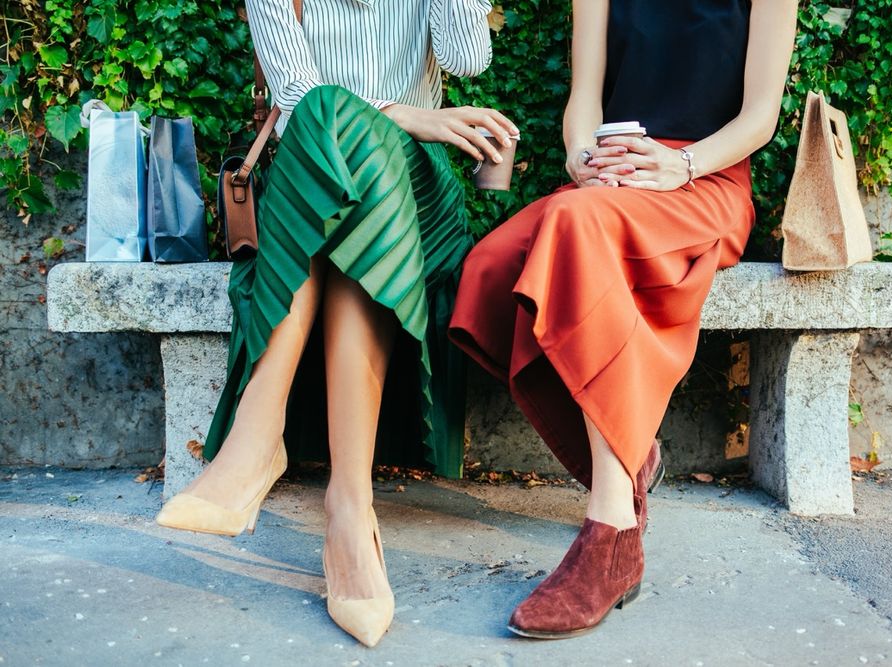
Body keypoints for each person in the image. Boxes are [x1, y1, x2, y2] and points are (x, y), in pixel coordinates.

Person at [154, 0, 517, 648]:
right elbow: (297, 106)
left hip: (415, 191)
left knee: (351, 139)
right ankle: (350, 513)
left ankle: (258, 440)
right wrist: (394, 111)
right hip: (315, 181)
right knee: (327, 120)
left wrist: (399, 120)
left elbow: (468, 58)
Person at [450, 0, 798, 638]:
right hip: (612, 178)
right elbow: (584, 98)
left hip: (704, 183)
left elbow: (760, 117)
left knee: (572, 226)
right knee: (492, 267)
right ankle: (633, 454)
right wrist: (582, 156)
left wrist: (679, 165)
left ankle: (613, 530)